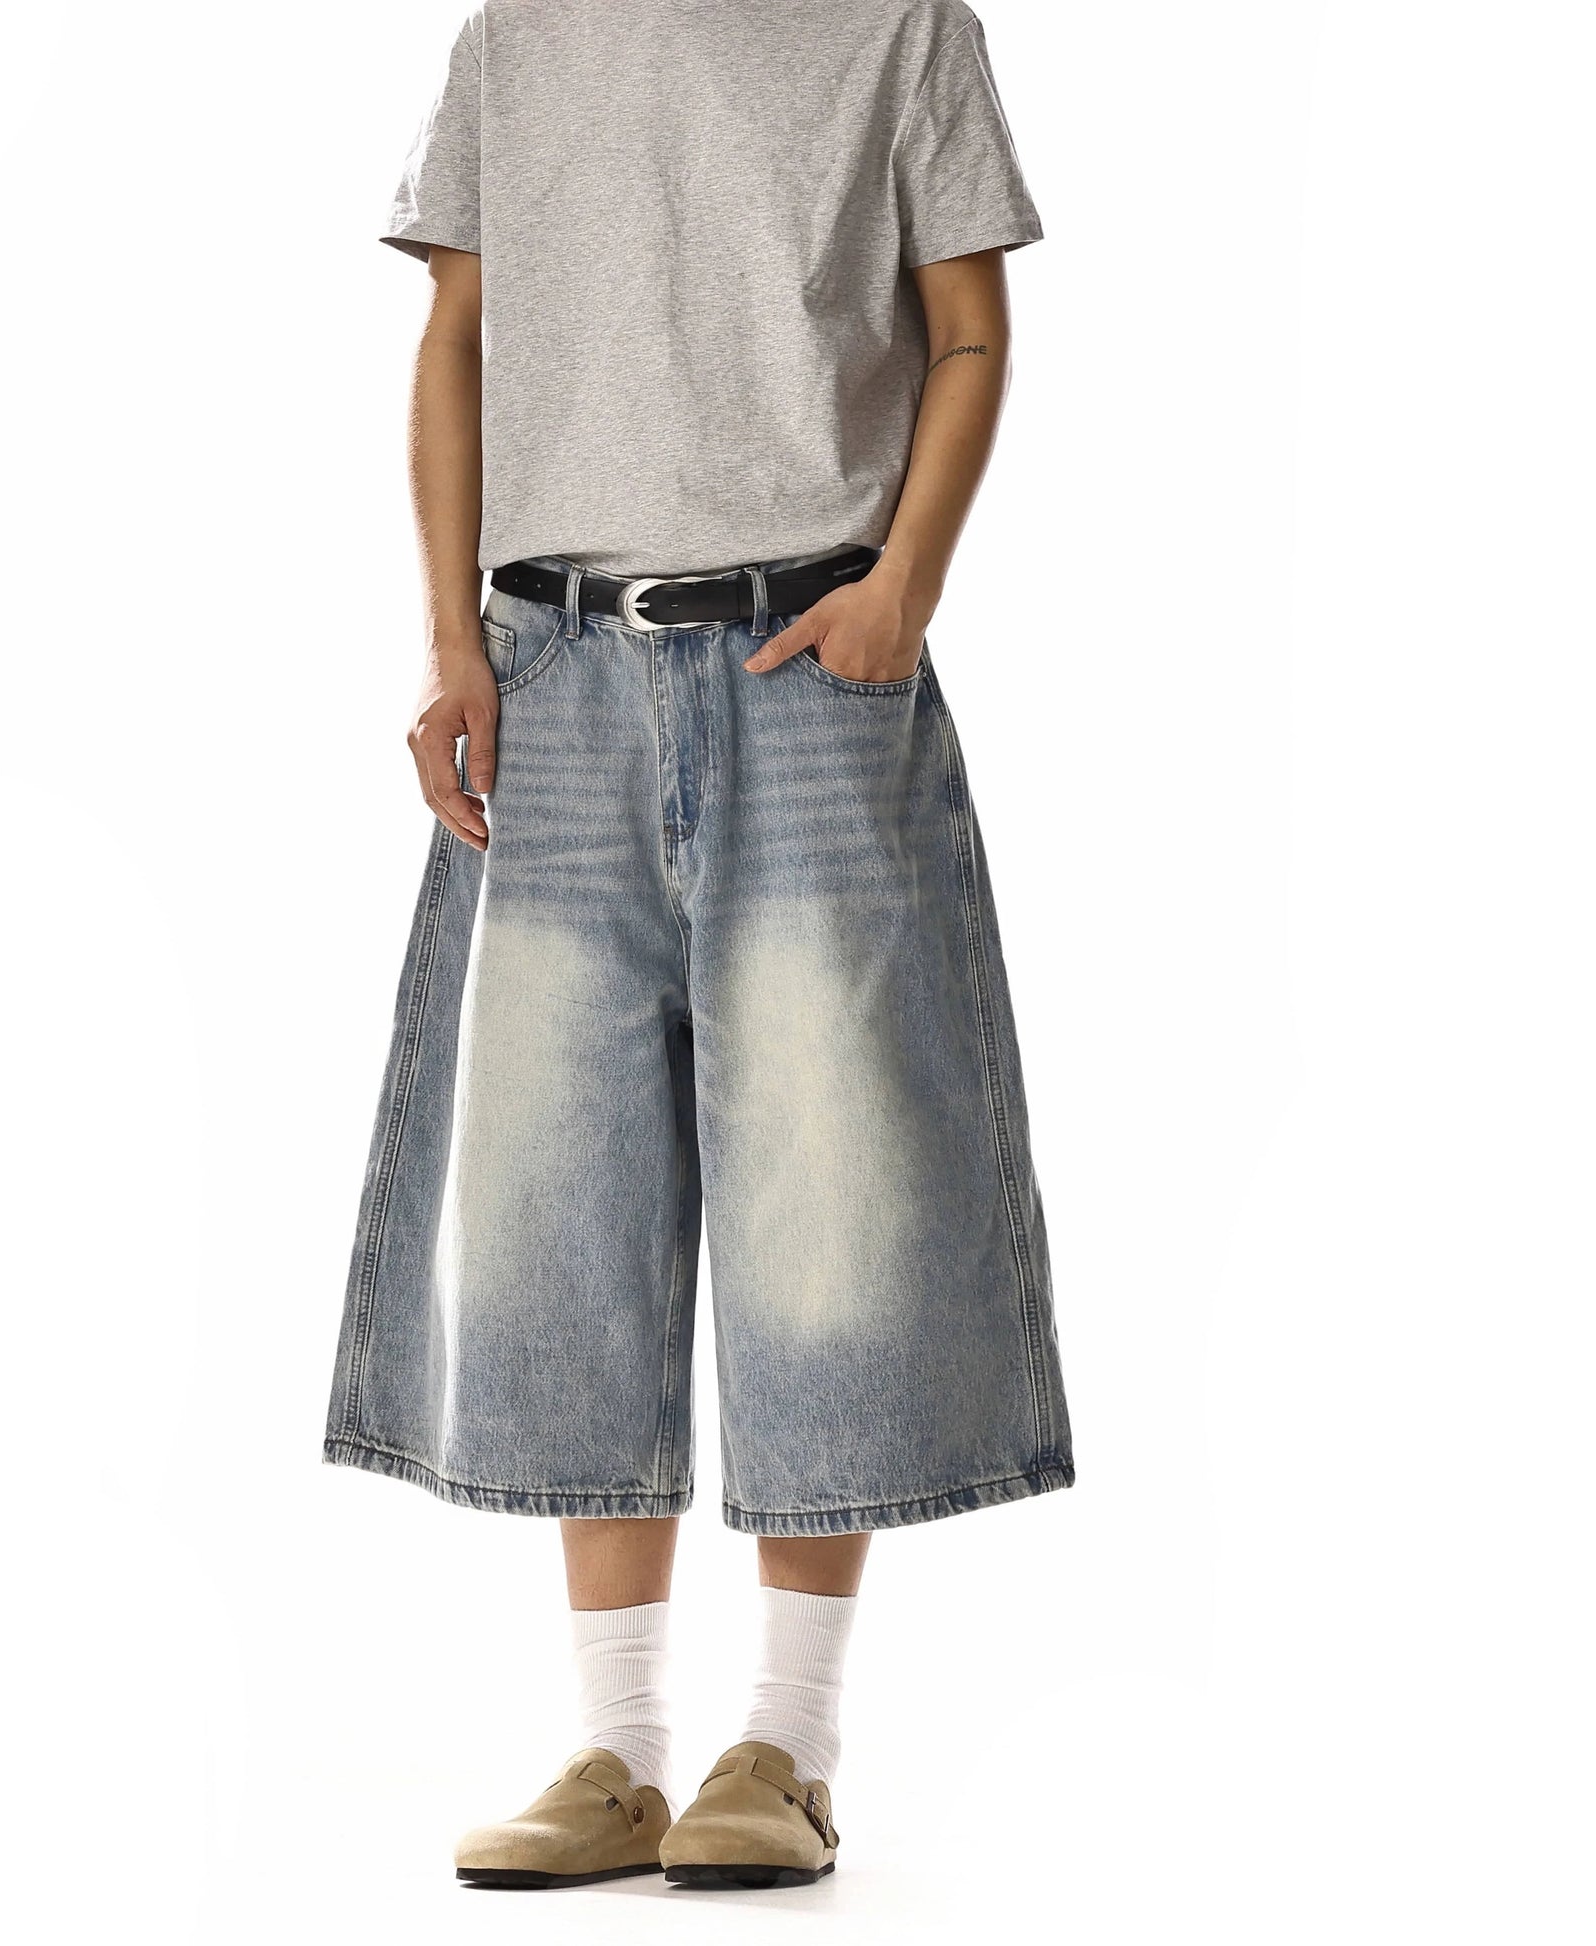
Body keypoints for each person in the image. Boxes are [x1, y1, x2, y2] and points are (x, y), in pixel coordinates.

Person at [324, 0, 1073, 1891]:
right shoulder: (519, 30)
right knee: (562, 1196)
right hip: (552, 669)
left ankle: (788, 1747)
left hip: (807, 659)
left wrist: (903, 588)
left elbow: (969, 326)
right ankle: (617, 1753)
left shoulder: (898, 23)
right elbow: (456, 333)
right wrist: (451, 643)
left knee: (833, 1194)